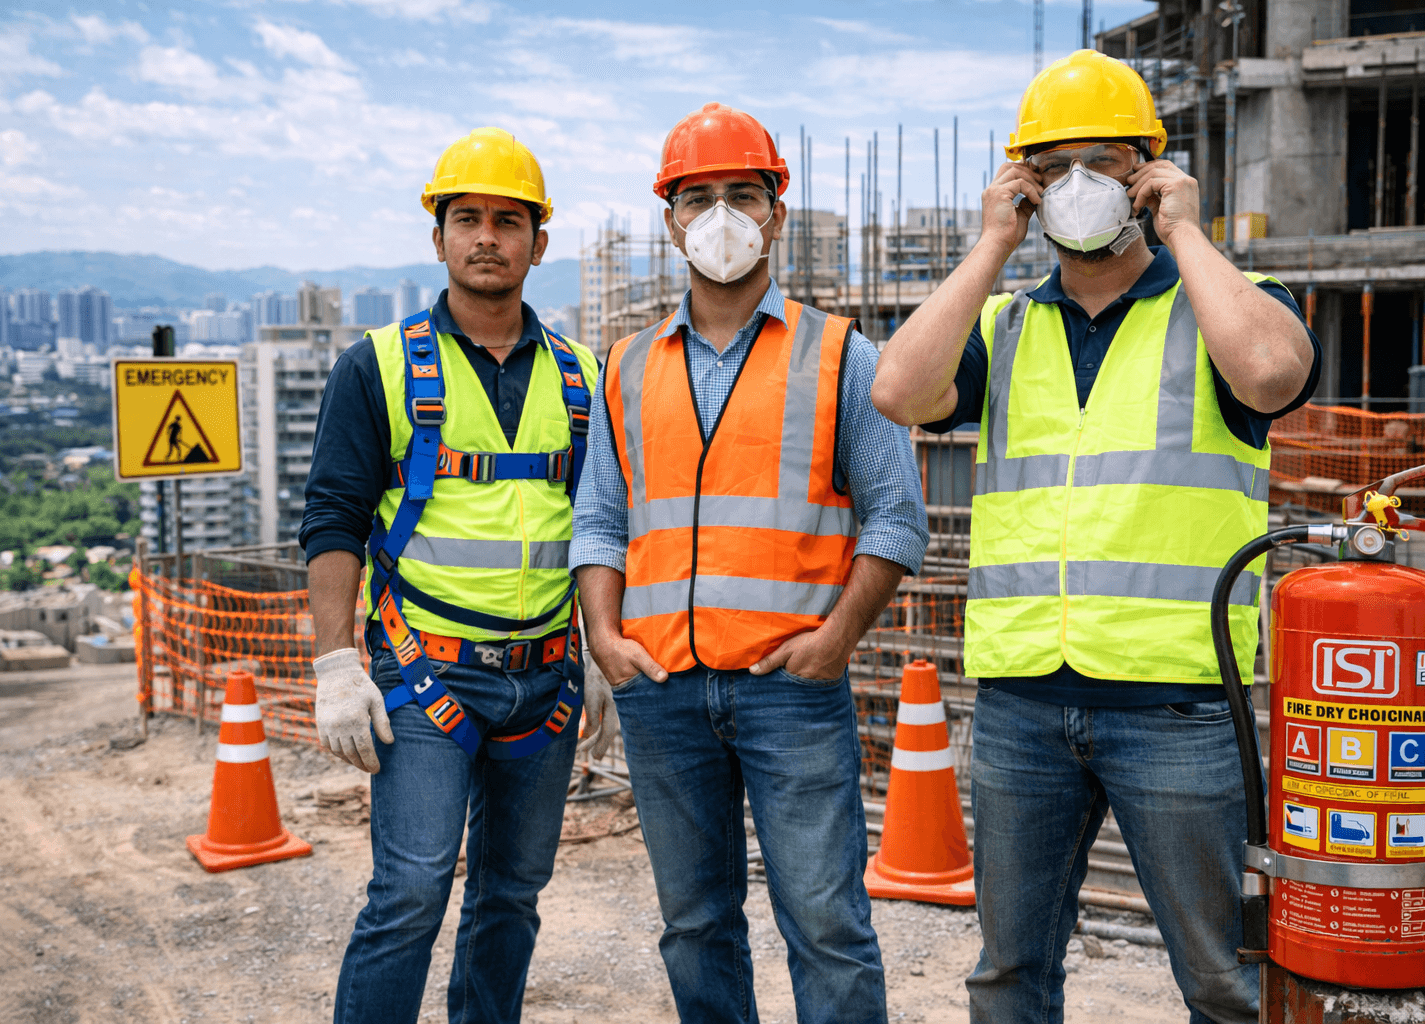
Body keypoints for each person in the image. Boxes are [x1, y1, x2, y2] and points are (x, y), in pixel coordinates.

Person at [870, 50, 1320, 1024]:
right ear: (1024, 183)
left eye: (1103, 163)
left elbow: (1273, 377)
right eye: (1052, 165)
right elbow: (897, 391)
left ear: (1149, 171)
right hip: (1026, 703)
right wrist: (992, 243)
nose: (1079, 185)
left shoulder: (1224, 305)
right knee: (1009, 973)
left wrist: (1187, 233)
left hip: (1178, 708)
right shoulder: (1003, 325)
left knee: (1224, 980)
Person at [570, 102, 929, 1024]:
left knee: (826, 921)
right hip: (662, 690)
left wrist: (836, 639)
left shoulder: (842, 354)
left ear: (775, 210)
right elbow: (602, 520)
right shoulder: (624, 366)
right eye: (698, 197)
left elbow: (896, 517)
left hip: (790, 687)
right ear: (670, 221)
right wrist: (604, 637)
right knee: (694, 925)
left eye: (742, 193)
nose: (719, 215)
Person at [300, 127, 617, 1024]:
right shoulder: (379, 366)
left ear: (538, 244)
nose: (488, 237)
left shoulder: (582, 378)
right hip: (423, 673)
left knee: (513, 896)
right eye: (467, 218)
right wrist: (335, 665)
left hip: (544, 682)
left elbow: (597, 525)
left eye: (508, 221)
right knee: (410, 891)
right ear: (438, 236)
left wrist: (597, 646)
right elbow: (333, 519)